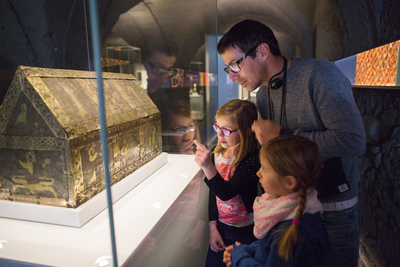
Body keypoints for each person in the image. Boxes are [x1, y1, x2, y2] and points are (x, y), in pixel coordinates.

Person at [217, 19, 366, 267]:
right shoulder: (264, 93)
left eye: (235, 64)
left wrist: (281, 137)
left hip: (332, 212)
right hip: (288, 212)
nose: (233, 76)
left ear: (262, 51)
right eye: (228, 68)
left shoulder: (320, 75)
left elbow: (353, 140)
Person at [223, 135, 331, 267]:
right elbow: (269, 246)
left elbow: (277, 244)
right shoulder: (292, 210)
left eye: (264, 168)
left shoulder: (292, 232)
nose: (258, 173)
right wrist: (246, 250)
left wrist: (240, 258)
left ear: (289, 182)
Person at [194, 99, 261, 267]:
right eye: (217, 127)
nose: (219, 134)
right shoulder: (218, 153)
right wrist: (212, 227)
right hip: (222, 228)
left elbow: (227, 193)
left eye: (226, 130)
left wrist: (208, 167)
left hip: (246, 230)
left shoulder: (251, 158)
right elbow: (214, 193)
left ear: (246, 131)